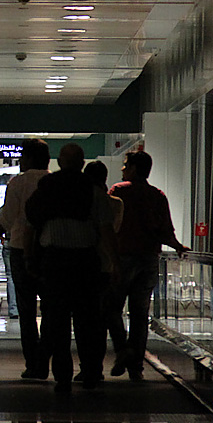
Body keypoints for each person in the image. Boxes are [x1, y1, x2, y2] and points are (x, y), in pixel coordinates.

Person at [25, 143, 116, 393]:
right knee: (87, 321)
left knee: (57, 322)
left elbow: (30, 225)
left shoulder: (46, 187)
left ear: (60, 162)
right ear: (82, 162)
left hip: (54, 263)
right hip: (85, 263)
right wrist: (113, 262)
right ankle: (89, 373)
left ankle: (62, 377)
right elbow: (106, 229)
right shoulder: (93, 190)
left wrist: (31, 259)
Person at [0, 138, 51, 380]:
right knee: (51, 309)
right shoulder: (53, 182)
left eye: (22, 157)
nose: (19, 161)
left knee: (26, 310)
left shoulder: (18, 183)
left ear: (31, 158)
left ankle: (33, 364)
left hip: (20, 251)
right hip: (49, 251)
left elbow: (7, 220)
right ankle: (46, 359)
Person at [106, 150, 190, 381]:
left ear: (133, 168)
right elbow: (165, 231)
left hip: (122, 258)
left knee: (112, 308)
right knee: (140, 313)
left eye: (125, 165)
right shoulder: (157, 195)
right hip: (149, 259)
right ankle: (136, 367)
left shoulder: (118, 191)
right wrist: (178, 246)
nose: (123, 169)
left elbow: (109, 225)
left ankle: (122, 349)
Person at [83, 159, 124, 381]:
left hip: (89, 264)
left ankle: (93, 367)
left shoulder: (86, 203)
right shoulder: (117, 203)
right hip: (109, 264)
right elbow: (113, 231)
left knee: (90, 319)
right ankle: (121, 351)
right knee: (107, 313)